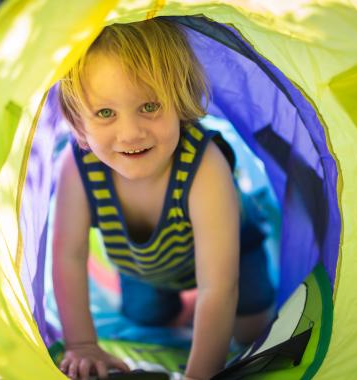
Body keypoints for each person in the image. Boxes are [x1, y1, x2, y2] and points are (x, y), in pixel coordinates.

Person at [52, 18, 275, 380]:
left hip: (233, 255)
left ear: (180, 99)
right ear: (79, 123)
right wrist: (81, 344)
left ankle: (203, 312)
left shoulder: (203, 166)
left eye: (150, 106)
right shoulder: (78, 167)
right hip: (145, 266)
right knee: (147, 319)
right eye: (105, 113)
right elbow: (68, 256)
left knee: (250, 331)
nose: (130, 133)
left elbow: (220, 285)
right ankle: (186, 310)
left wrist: (200, 375)